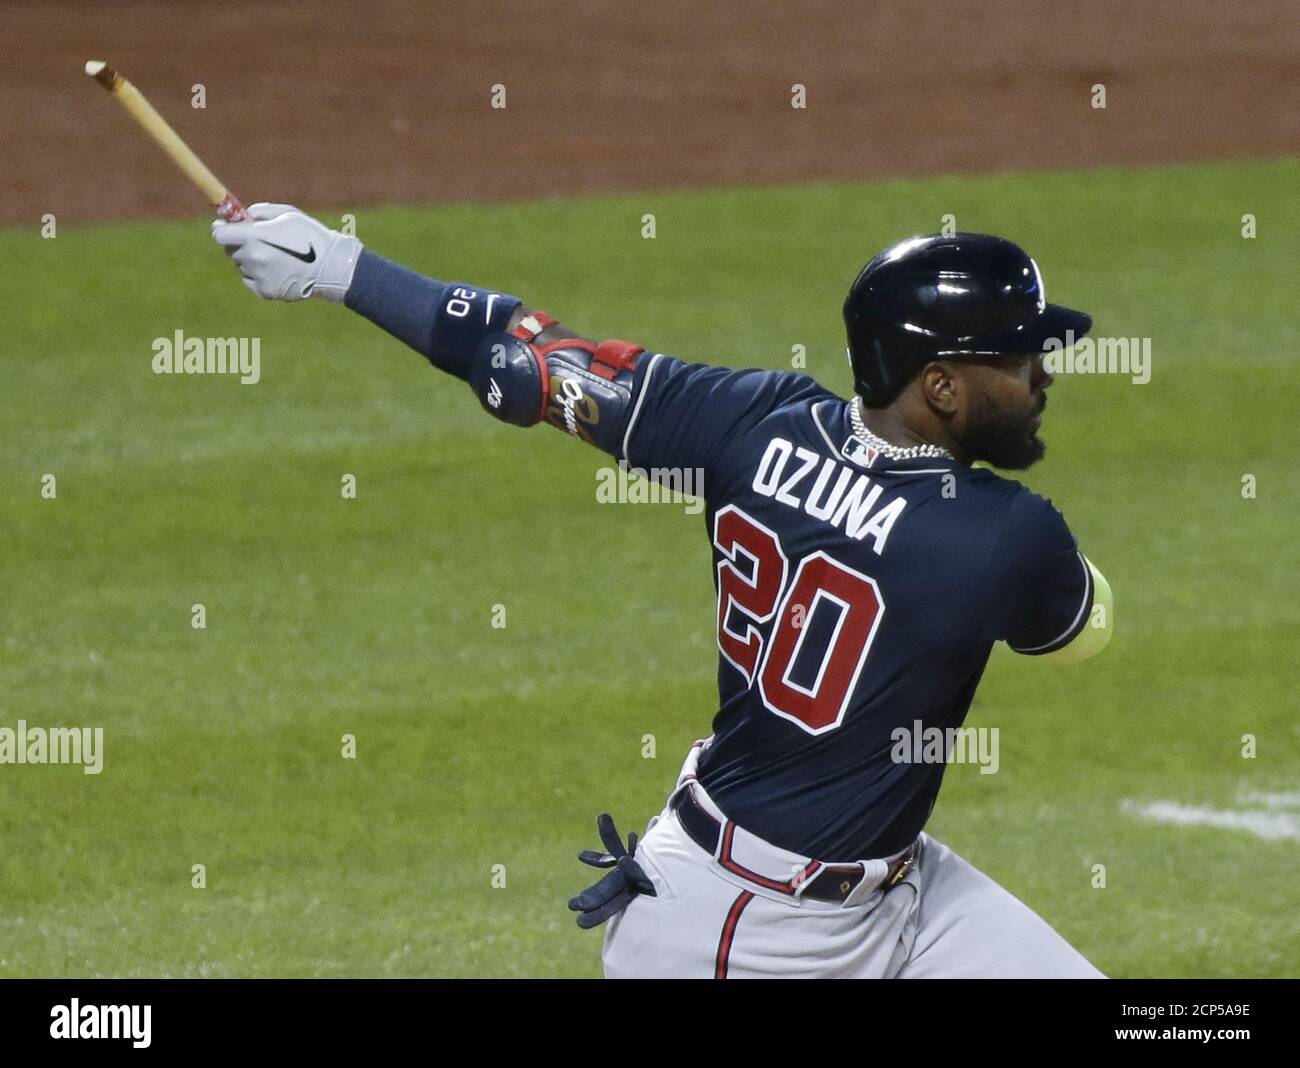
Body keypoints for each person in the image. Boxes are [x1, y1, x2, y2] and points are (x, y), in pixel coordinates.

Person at [213, 208, 1113, 978]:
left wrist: (340, 265)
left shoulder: (750, 419)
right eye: (1021, 355)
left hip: (902, 899)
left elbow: (526, 361)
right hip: (741, 935)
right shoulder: (1006, 533)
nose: (1043, 374)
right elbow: (1077, 629)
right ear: (943, 386)